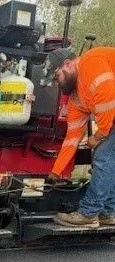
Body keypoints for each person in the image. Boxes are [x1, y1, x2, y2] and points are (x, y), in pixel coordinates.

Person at [43, 46, 115, 228]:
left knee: (103, 158)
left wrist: (98, 137)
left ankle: (89, 214)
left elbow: (108, 99)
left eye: (56, 76)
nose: (57, 83)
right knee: (109, 160)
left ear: (67, 64)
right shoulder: (76, 98)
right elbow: (72, 139)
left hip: (111, 115)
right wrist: (55, 172)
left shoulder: (90, 62)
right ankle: (108, 212)